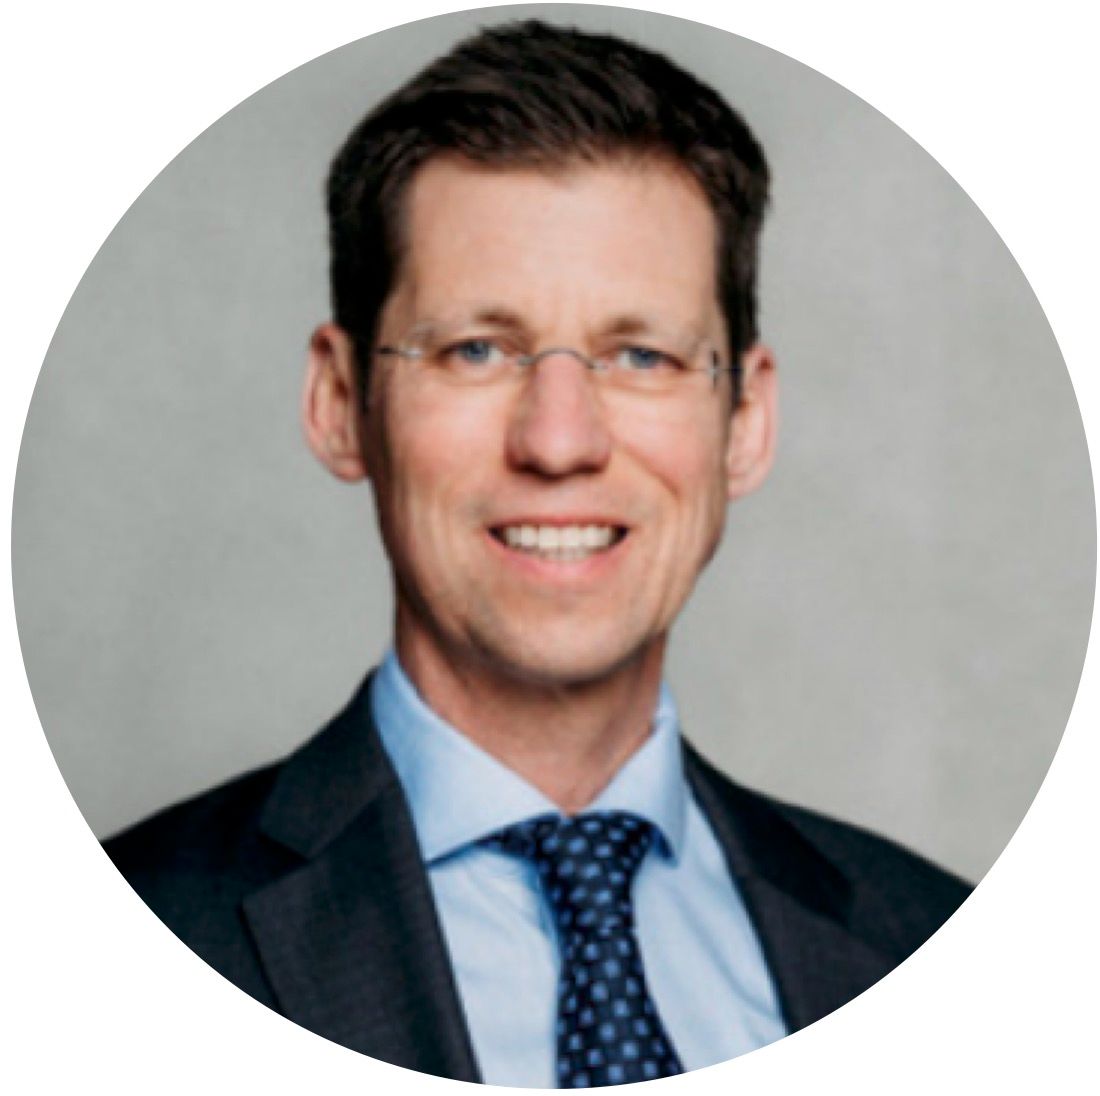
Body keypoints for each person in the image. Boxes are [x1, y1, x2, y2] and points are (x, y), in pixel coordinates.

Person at [105, 20, 970, 1087]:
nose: (559, 442)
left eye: (640, 354)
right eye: (477, 349)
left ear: (744, 421)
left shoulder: (932, 946)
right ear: (340, 403)